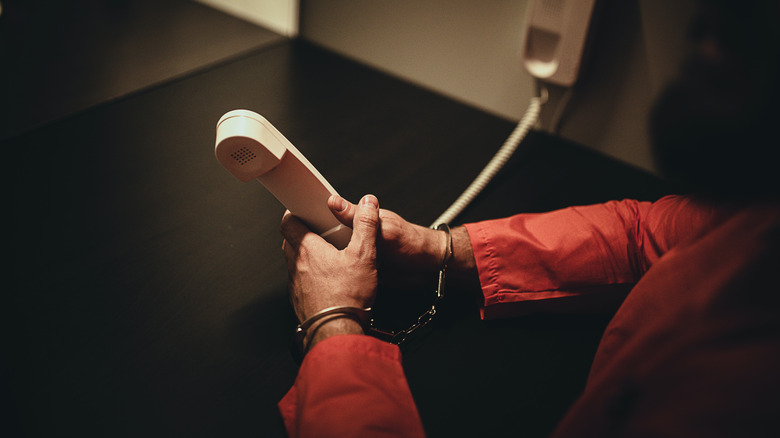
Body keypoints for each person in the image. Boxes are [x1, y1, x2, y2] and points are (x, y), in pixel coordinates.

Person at [277, 1, 780, 436]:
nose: (701, 40)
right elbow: (646, 234)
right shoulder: (756, 219)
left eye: (741, 29)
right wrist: (438, 250)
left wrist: (332, 324)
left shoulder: (739, 398)